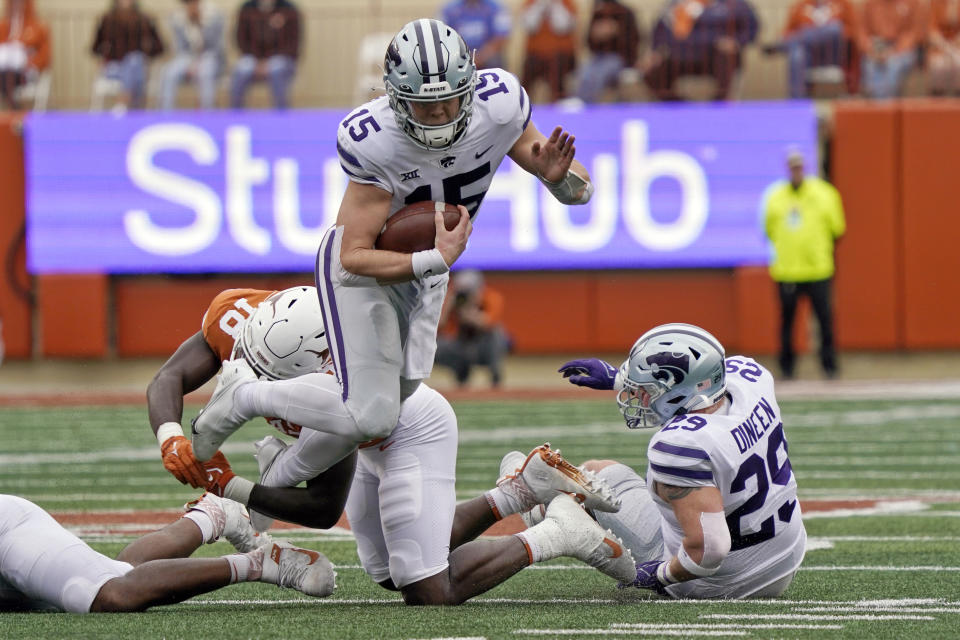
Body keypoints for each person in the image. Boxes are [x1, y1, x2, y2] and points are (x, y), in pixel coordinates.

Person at [190, 18, 594, 502]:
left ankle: (277, 472)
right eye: (425, 106)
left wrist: (558, 177)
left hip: (430, 268)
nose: (442, 114)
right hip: (365, 273)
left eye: (450, 99)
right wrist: (432, 260)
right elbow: (354, 255)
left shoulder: (502, 104)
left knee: (388, 407)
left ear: (471, 82)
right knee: (372, 414)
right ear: (397, 100)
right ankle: (244, 395)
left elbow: (580, 192)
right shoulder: (374, 137)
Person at [555, 322, 807, 599]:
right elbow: (702, 379)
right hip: (784, 559)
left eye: (648, 389)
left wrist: (660, 575)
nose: (640, 397)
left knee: (592, 474)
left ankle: (529, 527)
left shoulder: (681, 443)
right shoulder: (752, 378)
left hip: (718, 579)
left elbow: (710, 551)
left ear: (679, 392)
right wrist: (619, 379)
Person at [147, 285, 356, 531]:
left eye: (264, 376)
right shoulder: (235, 315)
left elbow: (324, 507)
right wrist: (170, 438)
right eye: (246, 358)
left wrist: (226, 484)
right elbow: (169, 376)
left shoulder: (342, 390)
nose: (251, 378)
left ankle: (278, 468)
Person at [0, 492, 335, 612]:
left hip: (7, 533)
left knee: (108, 593)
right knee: (119, 570)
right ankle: (211, 516)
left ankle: (261, 564)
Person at [762, 149, 846, 380]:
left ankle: (829, 367)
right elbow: (769, 229)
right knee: (787, 322)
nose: (796, 170)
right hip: (788, 270)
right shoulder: (776, 197)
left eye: (799, 166)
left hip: (818, 268)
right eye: (792, 166)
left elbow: (838, 229)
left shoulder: (825, 194)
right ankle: (787, 368)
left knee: (825, 320)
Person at [644, 0, 758, 102]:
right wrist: (655, 52)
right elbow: (659, 31)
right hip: (680, 56)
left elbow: (751, 27)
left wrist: (736, 42)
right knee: (652, 71)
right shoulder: (676, 5)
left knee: (727, 60)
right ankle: (677, 106)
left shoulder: (734, 5)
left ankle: (719, 104)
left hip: (715, 56)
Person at [766, 0, 859, 98]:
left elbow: (854, 32)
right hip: (810, 57)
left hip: (833, 56)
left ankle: (784, 44)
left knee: (835, 28)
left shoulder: (844, 4)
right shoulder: (801, 6)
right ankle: (797, 104)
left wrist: (820, 33)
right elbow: (789, 30)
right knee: (797, 55)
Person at [434, 269, 509, 388]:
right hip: (462, 346)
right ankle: (461, 373)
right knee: (437, 344)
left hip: (483, 346)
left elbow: (488, 323)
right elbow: (438, 327)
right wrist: (449, 305)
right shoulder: (453, 301)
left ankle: (495, 374)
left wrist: (470, 312)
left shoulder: (491, 297)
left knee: (497, 334)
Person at [90, 0, 164, 110]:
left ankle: (123, 103)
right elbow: (95, 48)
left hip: (138, 66)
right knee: (135, 66)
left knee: (134, 60)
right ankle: (135, 109)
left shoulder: (144, 19)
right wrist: (105, 50)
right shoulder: (107, 19)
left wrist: (148, 48)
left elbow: (159, 47)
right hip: (114, 68)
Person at [229, 0, 300, 109]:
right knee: (241, 69)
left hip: (281, 58)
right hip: (253, 58)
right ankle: (236, 115)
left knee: (277, 69)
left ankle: (282, 116)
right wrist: (258, 61)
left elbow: (294, 44)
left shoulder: (289, 9)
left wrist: (268, 62)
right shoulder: (247, 8)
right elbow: (241, 40)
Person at [159, 0, 225, 110]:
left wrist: (200, 24)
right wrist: (191, 64)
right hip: (186, 57)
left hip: (210, 57)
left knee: (206, 72)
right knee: (169, 72)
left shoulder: (215, 16)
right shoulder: (178, 19)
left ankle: (207, 115)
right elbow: (180, 49)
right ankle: (166, 115)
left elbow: (216, 48)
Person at [574, 0, 641, 103]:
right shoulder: (598, 14)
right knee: (585, 71)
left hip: (619, 58)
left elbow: (634, 43)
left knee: (601, 73)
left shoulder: (625, 13)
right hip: (598, 57)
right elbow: (589, 44)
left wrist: (617, 32)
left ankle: (588, 105)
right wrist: (596, 37)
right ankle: (579, 102)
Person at [858, 0, 923, 99]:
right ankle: (876, 108)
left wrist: (895, 51)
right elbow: (862, 34)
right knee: (871, 66)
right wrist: (872, 49)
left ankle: (885, 108)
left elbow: (915, 33)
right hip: (876, 48)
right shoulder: (869, 4)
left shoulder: (912, 3)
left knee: (893, 65)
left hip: (901, 49)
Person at [520, 0, 578, 102]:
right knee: (527, 73)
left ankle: (559, 102)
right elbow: (529, 26)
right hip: (535, 54)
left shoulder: (566, 2)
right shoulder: (531, 2)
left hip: (561, 54)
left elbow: (562, 27)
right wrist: (539, 6)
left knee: (557, 67)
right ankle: (523, 104)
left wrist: (555, 5)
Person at [0, 0, 49, 110]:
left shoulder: (38, 28)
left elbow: (45, 56)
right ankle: (14, 107)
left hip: (26, 72)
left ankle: (13, 109)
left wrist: (32, 63)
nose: (17, 6)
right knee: (6, 74)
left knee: (8, 76)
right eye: (14, 3)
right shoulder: (3, 27)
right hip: (5, 70)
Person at [440, 0, 512, 70]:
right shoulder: (449, 8)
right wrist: (462, 57)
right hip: (459, 56)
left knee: (494, 60)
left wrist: (480, 58)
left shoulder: (496, 7)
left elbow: (501, 37)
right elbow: (442, 36)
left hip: (486, 56)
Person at [926, 0, 960, 96]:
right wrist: (945, 46)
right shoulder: (936, 3)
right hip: (940, 46)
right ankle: (938, 100)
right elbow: (932, 30)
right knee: (938, 64)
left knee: (958, 62)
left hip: (958, 46)